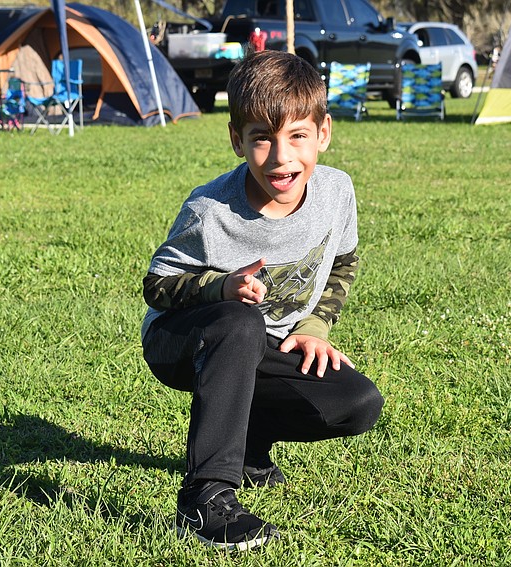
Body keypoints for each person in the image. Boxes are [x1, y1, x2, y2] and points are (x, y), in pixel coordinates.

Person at [140, 50, 384, 551]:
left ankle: (247, 446)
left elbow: (342, 261)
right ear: (237, 140)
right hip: (182, 340)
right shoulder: (210, 209)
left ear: (324, 133)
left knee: (355, 403)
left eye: (297, 136)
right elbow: (158, 285)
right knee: (240, 323)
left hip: (263, 345)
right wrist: (221, 287)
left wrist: (314, 328)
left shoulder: (337, 191)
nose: (281, 157)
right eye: (262, 139)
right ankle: (206, 496)